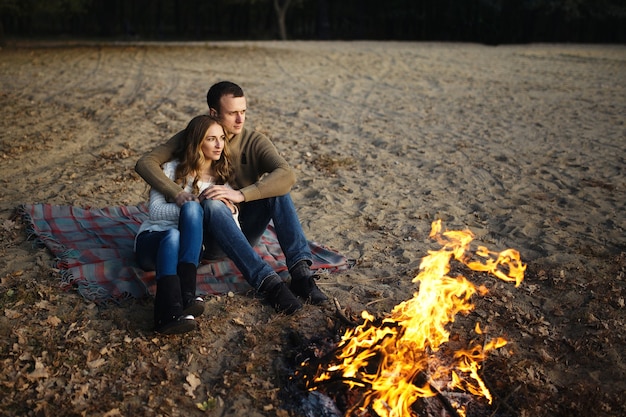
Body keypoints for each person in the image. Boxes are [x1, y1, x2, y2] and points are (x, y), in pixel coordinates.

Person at [135, 81, 327, 315]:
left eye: (243, 112)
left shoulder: (254, 141)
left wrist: (240, 195)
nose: (240, 119)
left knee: (279, 191)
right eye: (233, 113)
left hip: (243, 227)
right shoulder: (196, 135)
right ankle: (268, 283)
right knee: (214, 206)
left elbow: (287, 174)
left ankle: (301, 274)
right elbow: (145, 162)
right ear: (213, 113)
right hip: (208, 234)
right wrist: (178, 195)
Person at [135, 115, 234, 334]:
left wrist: (231, 208)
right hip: (152, 241)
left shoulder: (220, 180)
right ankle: (188, 292)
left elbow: (230, 224)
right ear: (198, 143)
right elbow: (155, 211)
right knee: (175, 230)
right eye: (211, 139)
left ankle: (168, 313)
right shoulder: (171, 169)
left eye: (221, 138)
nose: (219, 145)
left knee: (178, 234)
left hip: (187, 251)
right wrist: (194, 212)